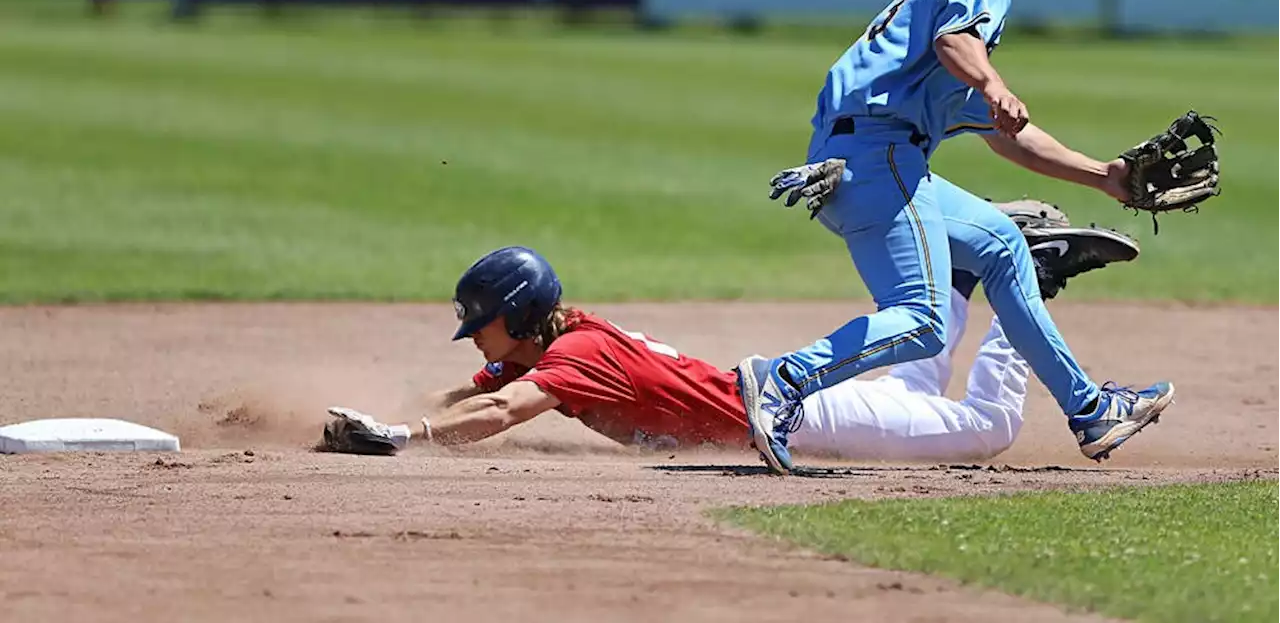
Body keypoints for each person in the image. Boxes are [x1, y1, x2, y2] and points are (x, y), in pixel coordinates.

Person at [736, 0, 1173, 475]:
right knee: (922, 320)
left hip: (871, 157)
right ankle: (783, 379)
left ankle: (1090, 409)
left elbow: (1009, 137)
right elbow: (955, 42)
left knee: (1002, 245)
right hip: (881, 155)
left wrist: (1103, 175)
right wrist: (992, 80)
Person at [321, 205, 1140, 463]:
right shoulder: (552, 342)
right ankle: (970, 276)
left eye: (480, 324)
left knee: (988, 429)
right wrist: (374, 413)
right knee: (915, 381)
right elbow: (472, 394)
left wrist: (409, 435)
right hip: (780, 399)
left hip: (795, 418)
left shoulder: (573, 358)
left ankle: (1033, 272)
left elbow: (495, 417)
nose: (473, 340)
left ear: (519, 313)